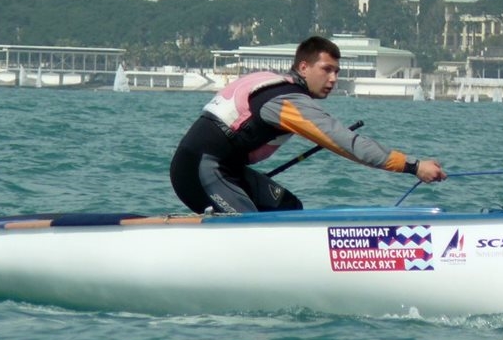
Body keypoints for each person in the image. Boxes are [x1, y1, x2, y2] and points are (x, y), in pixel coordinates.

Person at [169, 35, 446, 214]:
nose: (333, 78)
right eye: (326, 70)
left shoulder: (274, 83)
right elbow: (346, 143)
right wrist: (413, 166)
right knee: (253, 230)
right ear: (303, 67)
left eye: (336, 71)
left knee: (288, 208)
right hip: (199, 169)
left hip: (226, 169)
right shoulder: (288, 101)